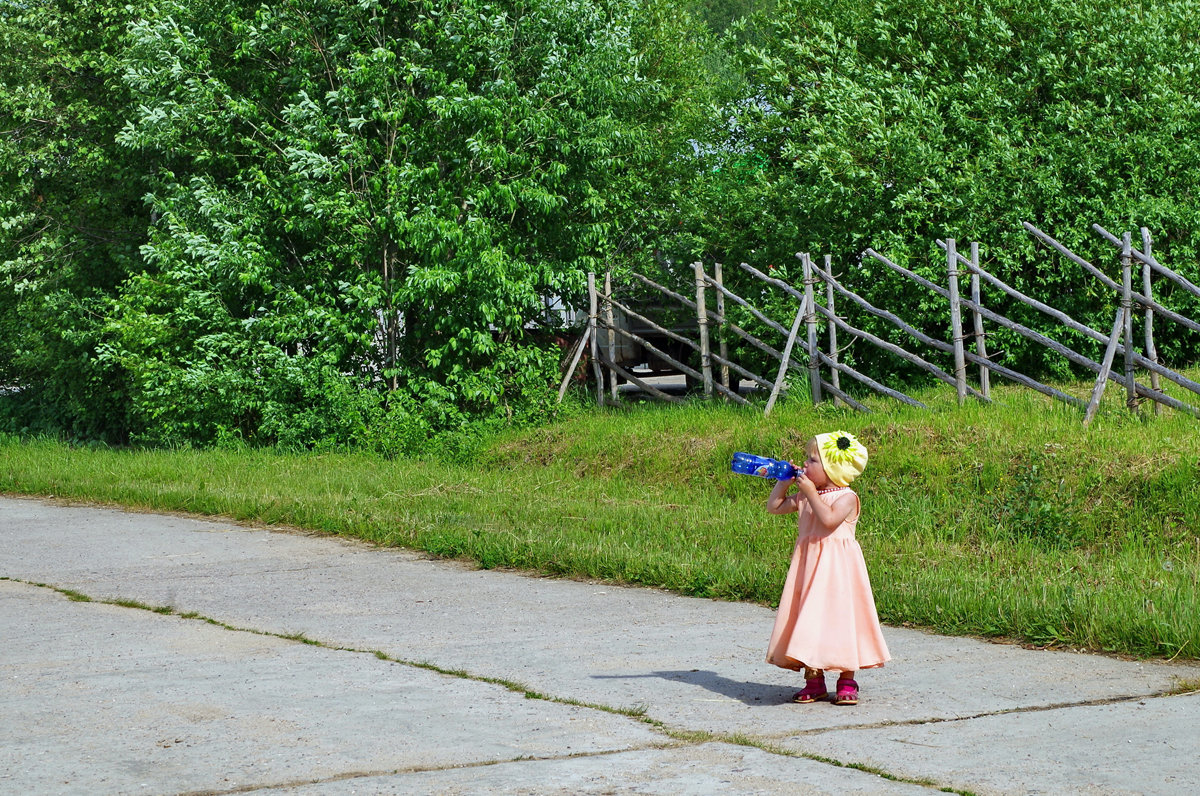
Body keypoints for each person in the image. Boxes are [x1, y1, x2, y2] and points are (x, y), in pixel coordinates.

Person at [764, 430, 889, 705]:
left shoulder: (846, 497)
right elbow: (774, 507)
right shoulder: (806, 496)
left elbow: (829, 519)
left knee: (843, 620)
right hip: (810, 569)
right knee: (809, 619)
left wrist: (809, 492)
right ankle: (814, 679)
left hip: (839, 573)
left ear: (833, 468)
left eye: (812, 460)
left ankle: (846, 679)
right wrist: (784, 483)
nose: (804, 464)